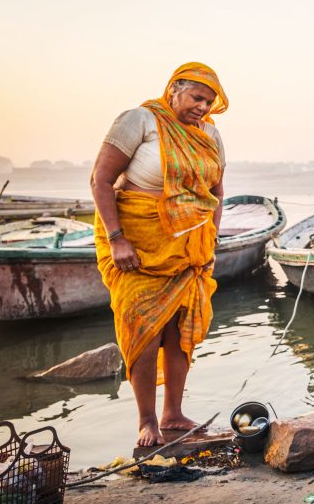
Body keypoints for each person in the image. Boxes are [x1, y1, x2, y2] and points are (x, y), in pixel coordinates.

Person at [90, 62, 229, 447]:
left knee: (180, 332)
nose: (203, 106)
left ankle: (174, 413)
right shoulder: (141, 120)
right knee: (143, 332)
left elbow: (216, 192)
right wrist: (117, 238)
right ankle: (147, 420)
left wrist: (211, 239)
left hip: (190, 248)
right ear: (174, 90)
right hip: (136, 245)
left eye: (209, 101)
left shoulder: (211, 135)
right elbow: (100, 180)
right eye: (196, 97)